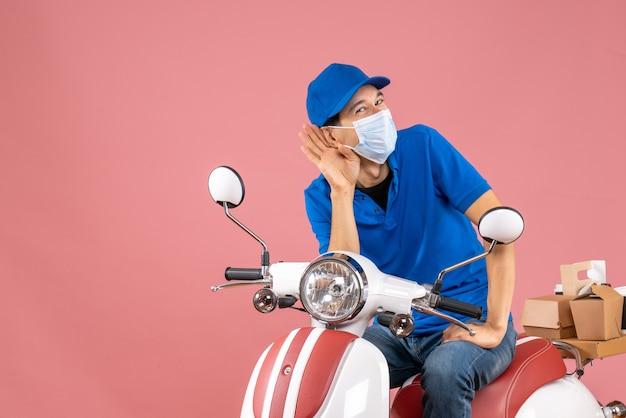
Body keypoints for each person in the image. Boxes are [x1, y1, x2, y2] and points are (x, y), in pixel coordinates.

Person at [298, 63, 518, 417]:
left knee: (446, 371)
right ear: (332, 135)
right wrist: (342, 189)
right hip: (395, 328)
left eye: (379, 101)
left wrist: (493, 326)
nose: (379, 114)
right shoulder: (321, 196)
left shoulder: (424, 146)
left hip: (468, 317)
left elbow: (500, 227)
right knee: (330, 366)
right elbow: (345, 281)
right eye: (361, 109)